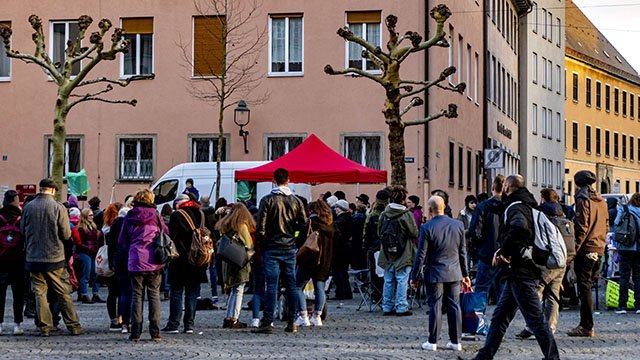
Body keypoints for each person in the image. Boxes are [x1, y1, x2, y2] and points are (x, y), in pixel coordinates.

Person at [473, 175, 558, 360]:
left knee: (536, 321)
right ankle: (484, 356)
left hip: (521, 272)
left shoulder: (516, 206)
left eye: (504, 185)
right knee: (499, 318)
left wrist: (503, 251)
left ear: (507, 187)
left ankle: (553, 357)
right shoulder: (528, 204)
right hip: (517, 272)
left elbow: (519, 228)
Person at [21, 178, 83, 337]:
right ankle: (74, 326)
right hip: (55, 258)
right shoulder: (58, 207)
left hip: (33, 257)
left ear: (41, 189)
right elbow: (66, 233)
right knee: (63, 292)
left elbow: (22, 231)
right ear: (53, 191)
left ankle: (44, 327)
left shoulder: (28, 207)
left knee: (39, 293)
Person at [411, 195, 470, 351]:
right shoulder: (458, 225)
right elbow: (462, 252)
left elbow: (421, 255)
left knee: (435, 306)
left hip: (435, 272)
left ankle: (433, 341)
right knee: (454, 306)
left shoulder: (427, 227)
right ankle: (456, 341)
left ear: (430, 210)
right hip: (455, 272)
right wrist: (466, 275)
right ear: (444, 207)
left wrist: (414, 276)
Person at [253, 168, 307, 334]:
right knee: (291, 284)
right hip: (289, 247)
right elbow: (304, 224)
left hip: (272, 247)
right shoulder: (296, 201)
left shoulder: (267, 200)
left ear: (273, 180)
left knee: (271, 285)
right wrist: (297, 240)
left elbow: (260, 227)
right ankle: (292, 321)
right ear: (288, 180)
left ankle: (268, 321)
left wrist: (263, 244)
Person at [516, 188, 568, 339]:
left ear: (543, 199)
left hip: (547, 258)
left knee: (535, 293)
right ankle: (551, 327)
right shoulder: (563, 211)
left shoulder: (540, 212)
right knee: (553, 294)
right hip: (562, 257)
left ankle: (533, 327)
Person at [118, 189, 167, 341]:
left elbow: (122, 240)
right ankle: (155, 331)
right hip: (154, 261)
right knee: (154, 297)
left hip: (135, 260)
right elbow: (166, 234)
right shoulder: (156, 216)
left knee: (136, 297)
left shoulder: (129, 216)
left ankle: (136, 332)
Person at [567, 170, 608, 337]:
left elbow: (581, 226)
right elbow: (606, 225)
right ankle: (586, 324)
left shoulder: (583, 199)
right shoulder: (601, 200)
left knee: (584, 288)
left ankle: (586, 325)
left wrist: (574, 249)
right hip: (598, 246)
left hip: (587, 248)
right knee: (588, 286)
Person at [162, 194, 209, 334]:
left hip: (180, 259)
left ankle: (174, 324)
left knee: (176, 292)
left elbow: (172, 237)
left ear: (178, 204)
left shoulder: (177, 215)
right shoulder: (200, 213)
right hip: (197, 259)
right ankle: (189, 325)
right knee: (192, 293)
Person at [378, 185, 418, 317]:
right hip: (404, 251)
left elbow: (379, 231)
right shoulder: (406, 215)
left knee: (388, 279)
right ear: (403, 199)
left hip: (387, 251)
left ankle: (387, 306)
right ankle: (401, 307)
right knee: (402, 279)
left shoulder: (384, 213)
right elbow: (414, 232)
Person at [295, 201, 335, 327]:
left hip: (309, 260)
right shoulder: (331, 227)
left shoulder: (311, 224)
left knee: (298, 286)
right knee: (320, 288)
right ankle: (317, 315)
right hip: (325, 262)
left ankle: (303, 315)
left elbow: (300, 240)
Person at [216, 203, 255, 329]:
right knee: (239, 290)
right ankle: (234, 318)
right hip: (239, 261)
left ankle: (228, 317)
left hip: (227, 261)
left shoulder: (225, 224)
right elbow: (249, 244)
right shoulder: (241, 226)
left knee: (233, 289)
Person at [469, 175, 505, 305]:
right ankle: (500, 324)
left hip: (487, 254)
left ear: (493, 188)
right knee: (503, 293)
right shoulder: (509, 207)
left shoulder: (483, 207)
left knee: (481, 291)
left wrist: (479, 247)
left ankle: (479, 321)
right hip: (504, 254)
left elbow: (475, 231)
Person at [0, 190, 25, 335]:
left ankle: (0, 324)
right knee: (18, 294)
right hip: (18, 259)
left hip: (1, 260)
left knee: (0, 294)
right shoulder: (20, 218)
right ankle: (17, 324)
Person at [614, 193, 640, 314]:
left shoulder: (624, 209)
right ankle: (638, 305)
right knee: (638, 277)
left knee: (624, 276)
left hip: (625, 247)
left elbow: (616, 223)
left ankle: (622, 305)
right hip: (638, 248)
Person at [73, 208, 105, 304]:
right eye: (90, 215)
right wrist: (89, 248)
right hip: (84, 252)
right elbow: (79, 243)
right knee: (86, 274)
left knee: (95, 273)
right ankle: (84, 294)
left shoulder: (93, 226)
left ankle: (95, 293)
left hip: (92, 252)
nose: (92, 217)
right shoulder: (81, 228)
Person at [362, 189, 390, 301]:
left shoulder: (372, 215)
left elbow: (365, 233)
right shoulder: (391, 214)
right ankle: (387, 295)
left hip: (374, 248)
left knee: (375, 274)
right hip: (389, 248)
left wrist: (365, 248)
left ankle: (376, 295)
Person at [108, 206, 132, 334]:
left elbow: (111, 244)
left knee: (123, 292)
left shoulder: (116, 223)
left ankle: (123, 322)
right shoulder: (132, 222)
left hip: (119, 259)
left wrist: (111, 261)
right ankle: (131, 320)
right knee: (134, 292)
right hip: (133, 258)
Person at [102, 202, 123, 331]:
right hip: (119, 261)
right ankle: (120, 318)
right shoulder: (120, 225)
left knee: (111, 293)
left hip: (109, 261)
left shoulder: (105, 227)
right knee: (121, 292)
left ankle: (113, 319)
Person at [332, 199, 353, 300]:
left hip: (340, 249)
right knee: (343, 271)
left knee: (339, 271)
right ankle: (346, 292)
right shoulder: (348, 218)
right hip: (346, 248)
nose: (335, 209)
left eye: (336, 207)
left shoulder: (340, 221)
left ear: (341, 209)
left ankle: (341, 292)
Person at [457, 195, 477, 269]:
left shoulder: (477, 213)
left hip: (475, 241)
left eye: (475, 203)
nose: (474, 205)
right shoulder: (462, 214)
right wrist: (469, 231)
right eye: (471, 203)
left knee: (476, 262)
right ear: (467, 203)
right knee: (466, 260)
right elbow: (460, 229)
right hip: (466, 241)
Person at [350, 204, 367, 270]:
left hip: (355, 240)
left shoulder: (354, 219)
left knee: (356, 256)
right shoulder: (366, 218)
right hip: (362, 239)